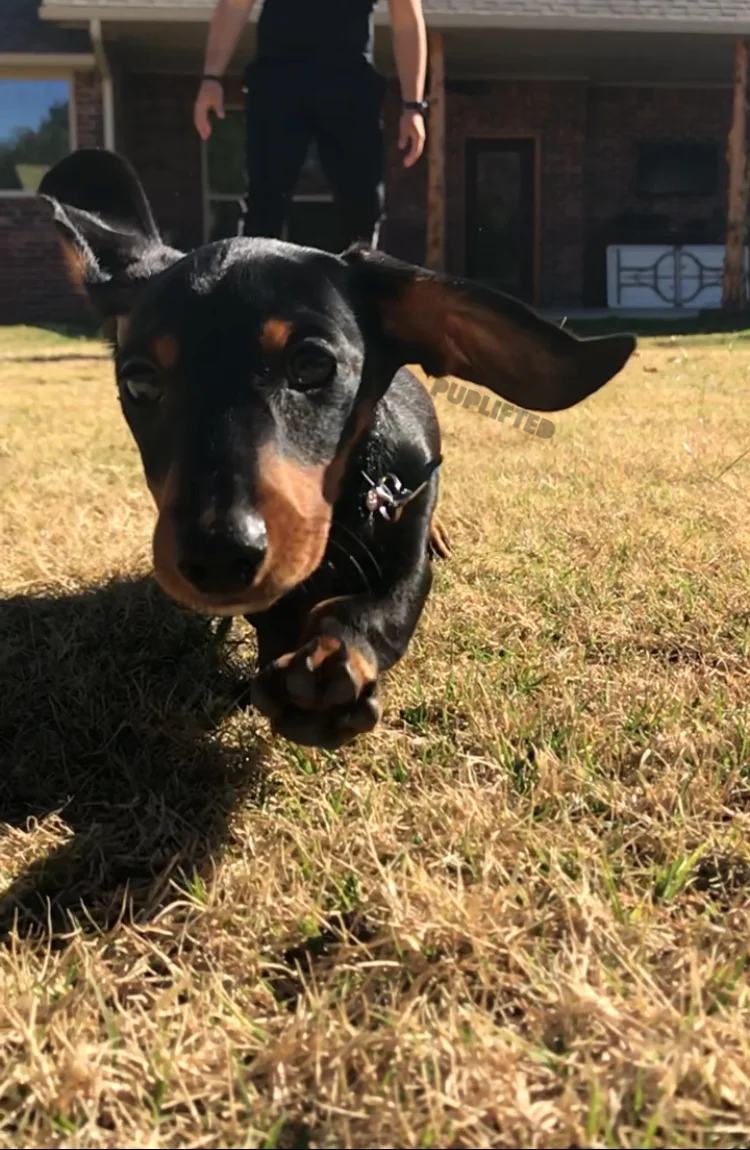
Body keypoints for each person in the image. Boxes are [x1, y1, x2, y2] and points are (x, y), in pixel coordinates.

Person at [193, 0, 427, 250]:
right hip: (278, 82)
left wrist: (413, 106)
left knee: (362, 206)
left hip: (349, 87)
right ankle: (254, 283)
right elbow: (234, 6)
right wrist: (211, 78)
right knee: (264, 204)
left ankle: (360, 284)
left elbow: (407, 22)